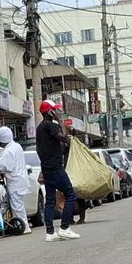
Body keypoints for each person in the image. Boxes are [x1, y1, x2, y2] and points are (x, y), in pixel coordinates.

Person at [34, 100, 81, 241]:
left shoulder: (40, 127)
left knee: (50, 200)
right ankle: (65, 227)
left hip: (47, 167)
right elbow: (65, 139)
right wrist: (61, 121)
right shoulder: (50, 125)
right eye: (55, 110)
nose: (58, 112)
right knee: (70, 194)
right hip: (55, 167)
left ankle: (50, 233)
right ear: (50, 112)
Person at [0, 124, 31, 234]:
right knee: (18, 205)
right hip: (20, 179)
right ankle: (21, 224)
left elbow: (4, 165)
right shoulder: (16, 146)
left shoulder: (8, 151)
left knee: (17, 206)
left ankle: (24, 226)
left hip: (15, 181)